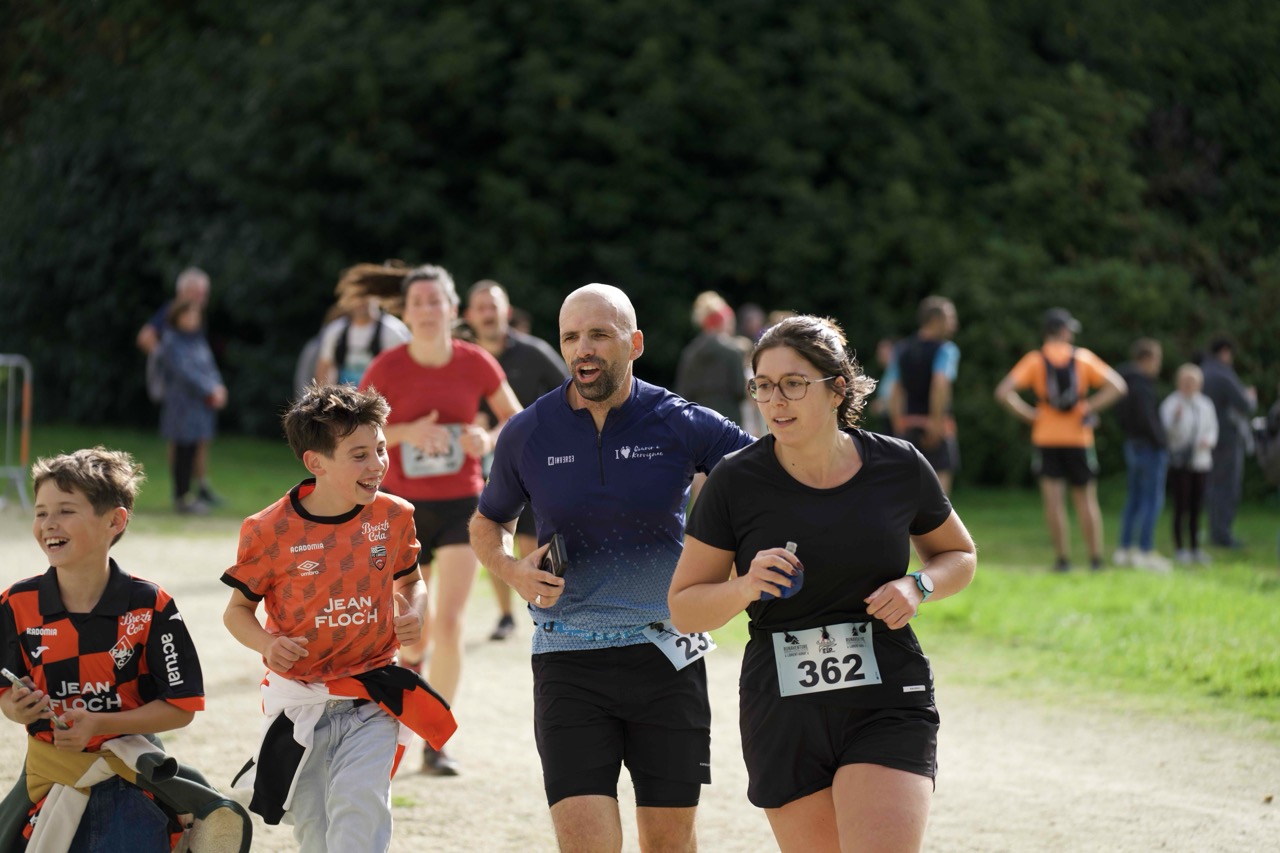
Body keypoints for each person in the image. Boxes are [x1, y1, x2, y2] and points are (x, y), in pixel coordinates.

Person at [667, 315, 977, 852]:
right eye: (763, 386)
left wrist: (918, 586)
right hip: (783, 706)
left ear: (837, 389)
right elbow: (685, 609)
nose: (775, 400)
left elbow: (960, 554)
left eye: (793, 384)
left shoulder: (897, 465)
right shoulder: (734, 481)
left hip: (886, 693)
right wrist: (744, 587)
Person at [469, 283, 754, 852]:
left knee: (669, 844)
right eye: (571, 337)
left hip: (666, 656)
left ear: (635, 343)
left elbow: (764, 474)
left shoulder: (678, 421)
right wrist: (512, 569)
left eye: (599, 334)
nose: (584, 349)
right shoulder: (528, 431)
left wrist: (725, 561)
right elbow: (488, 522)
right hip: (567, 659)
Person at [221, 384, 455, 851]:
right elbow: (237, 613)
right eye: (359, 455)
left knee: (359, 807)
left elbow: (412, 582)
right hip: (301, 703)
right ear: (316, 463)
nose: (377, 465)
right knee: (315, 831)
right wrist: (267, 644)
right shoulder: (268, 530)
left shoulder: (394, 516)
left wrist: (415, 611)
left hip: (373, 698)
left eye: (381, 449)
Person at [359, 264, 521, 776]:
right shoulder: (386, 367)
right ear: (405, 313)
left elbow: (514, 420)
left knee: (449, 622)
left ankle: (436, 740)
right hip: (400, 509)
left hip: (462, 507)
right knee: (415, 631)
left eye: (436, 301)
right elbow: (353, 433)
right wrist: (404, 434)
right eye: (419, 302)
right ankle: (413, 667)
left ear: (453, 309)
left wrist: (486, 438)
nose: (428, 310)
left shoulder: (476, 363)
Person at [0, 447, 206, 850]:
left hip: (131, 784)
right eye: (41, 512)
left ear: (115, 520)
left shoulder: (150, 605)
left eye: (65, 510)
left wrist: (100, 724)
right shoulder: (15, 604)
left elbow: (182, 707)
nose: (49, 523)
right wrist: (16, 707)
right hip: (48, 782)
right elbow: (6, 692)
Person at [463, 279, 568, 642]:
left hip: (537, 461)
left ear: (506, 311)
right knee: (492, 536)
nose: (488, 314)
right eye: (481, 307)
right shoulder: (464, 359)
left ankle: (542, 609)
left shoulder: (534, 352)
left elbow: (572, 392)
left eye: (493, 306)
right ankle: (506, 614)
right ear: (469, 315)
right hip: (481, 464)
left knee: (530, 539)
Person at [994, 308, 1127, 572]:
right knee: (1086, 500)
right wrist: (1088, 407)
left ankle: (1063, 560)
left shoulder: (1035, 359)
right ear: (1064, 331)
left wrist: (1030, 415)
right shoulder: (1082, 358)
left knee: (1054, 503)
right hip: (1079, 438)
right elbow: (1118, 386)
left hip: (1046, 437)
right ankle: (1095, 559)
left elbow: (1003, 392)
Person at [137, 266, 223, 506]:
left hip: (198, 396)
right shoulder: (171, 316)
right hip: (182, 397)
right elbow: (145, 337)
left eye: (204, 294)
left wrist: (214, 386)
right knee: (182, 442)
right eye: (198, 293)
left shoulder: (195, 323)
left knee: (198, 439)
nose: (202, 299)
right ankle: (182, 491)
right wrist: (164, 361)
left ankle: (200, 486)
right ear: (184, 292)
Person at [159, 298, 228, 515]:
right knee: (183, 449)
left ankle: (191, 494)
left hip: (200, 406)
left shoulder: (198, 340)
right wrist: (209, 389)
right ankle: (182, 496)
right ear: (177, 317)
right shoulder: (171, 341)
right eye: (187, 315)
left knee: (194, 448)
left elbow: (209, 367)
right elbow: (185, 372)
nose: (191, 319)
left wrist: (218, 387)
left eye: (195, 315)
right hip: (181, 406)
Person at [889, 296, 961, 493]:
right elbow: (940, 385)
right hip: (936, 427)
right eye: (950, 318)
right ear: (935, 320)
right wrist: (936, 423)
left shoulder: (902, 349)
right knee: (941, 495)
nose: (954, 324)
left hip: (907, 426)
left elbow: (895, 390)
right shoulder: (946, 350)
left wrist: (897, 426)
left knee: (909, 493)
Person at [1113, 338, 1171, 572]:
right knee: (1152, 500)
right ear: (1147, 358)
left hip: (1132, 444)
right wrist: (1162, 442)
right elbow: (1148, 419)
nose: (1158, 366)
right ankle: (1145, 550)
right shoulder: (1142, 385)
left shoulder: (1121, 382)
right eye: (1157, 360)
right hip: (1149, 448)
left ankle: (1125, 548)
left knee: (1134, 499)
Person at [1199, 337, 1257, 549]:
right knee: (1227, 488)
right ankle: (1222, 535)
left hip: (1206, 437)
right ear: (1224, 351)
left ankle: (1213, 531)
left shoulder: (1202, 371)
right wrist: (1250, 397)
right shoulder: (1223, 375)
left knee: (1212, 486)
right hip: (1227, 438)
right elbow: (1244, 404)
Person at [1161, 364, 1219, 565]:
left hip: (1200, 461)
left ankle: (1195, 547)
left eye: (1192, 382)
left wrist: (1207, 442)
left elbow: (1213, 429)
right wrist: (1176, 420)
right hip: (1180, 462)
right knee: (1181, 505)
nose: (1188, 385)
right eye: (1185, 381)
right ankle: (1180, 548)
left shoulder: (1205, 404)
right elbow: (1166, 433)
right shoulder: (1171, 404)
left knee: (1197, 505)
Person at [314, 283, 411, 387]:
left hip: (382, 395)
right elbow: (324, 366)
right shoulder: (336, 330)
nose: (360, 301)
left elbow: (407, 369)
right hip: (345, 395)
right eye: (356, 296)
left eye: (365, 295)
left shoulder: (394, 331)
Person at [675, 291, 749, 426]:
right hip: (729, 423)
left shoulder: (690, 353)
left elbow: (683, 393)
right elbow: (740, 391)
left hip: (698, 423)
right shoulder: (732, 352)